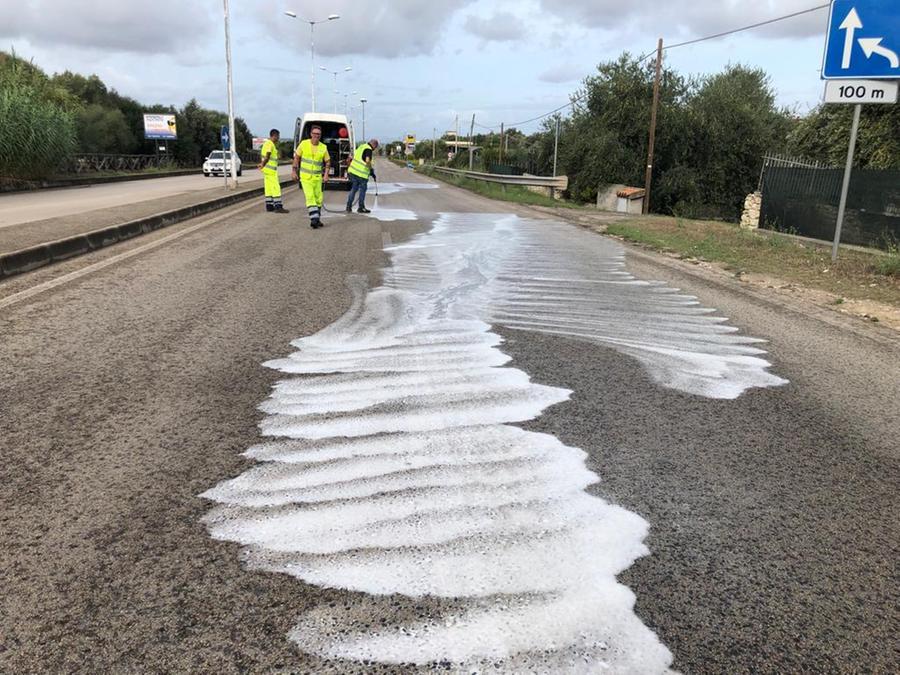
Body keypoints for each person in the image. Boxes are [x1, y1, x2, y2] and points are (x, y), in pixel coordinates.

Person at [292, 125, 330, 229]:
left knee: (318, 199)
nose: (316, 136)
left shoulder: (323, 147)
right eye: (315, 134)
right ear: (311, 134)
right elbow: (296, 158)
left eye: (318, 134)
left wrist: (326, 174)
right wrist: (294, 171)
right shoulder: (304, 144)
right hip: (305, 177)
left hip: (317, 178)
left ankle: (317, 219)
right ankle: (314, 220)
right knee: (310, 197)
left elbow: (327, 162)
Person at [258, 129, 288, 213]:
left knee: (269, 188)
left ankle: (269, 206)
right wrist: (262, 164)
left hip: (267, 171)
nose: (278, 138)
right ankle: (278, 206)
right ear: (274, 135)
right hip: (271, 171)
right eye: (278, 136)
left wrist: (263, 165)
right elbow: (267, 156)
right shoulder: (269, 144)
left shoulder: (267, 144)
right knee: (275, 188)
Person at [346, 139, 379, 214]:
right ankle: (361, 207)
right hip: (361, 174)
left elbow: (352, 157)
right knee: (362, 190)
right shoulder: (368, 149)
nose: (374, 149)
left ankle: (348, 206)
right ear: (374, 145)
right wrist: (371, 170)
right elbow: (367, 160)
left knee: (353, 189)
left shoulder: (361, 147)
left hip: (352, 172)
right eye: (375, 147)